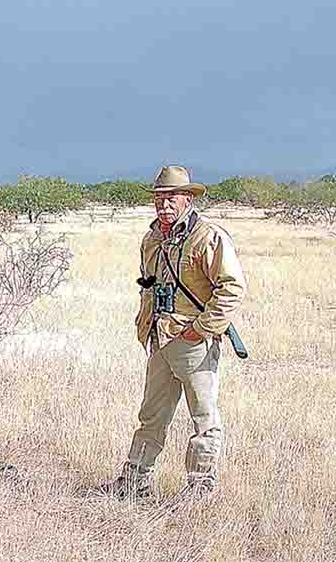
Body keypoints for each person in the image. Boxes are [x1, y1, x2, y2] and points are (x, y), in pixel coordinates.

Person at [99, 165, 247, 502]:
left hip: (193, 340)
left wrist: (201, 329)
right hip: (160, 338)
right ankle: (134, 481)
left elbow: (232, 288)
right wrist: (146, 323)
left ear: (188, 199)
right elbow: (147, 284)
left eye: (172, 198)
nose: (165, 205)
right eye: (160, 198)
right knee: (151, 416)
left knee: (204, 418)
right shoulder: (151, 238)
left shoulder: (209, 236)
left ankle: (199, 488)